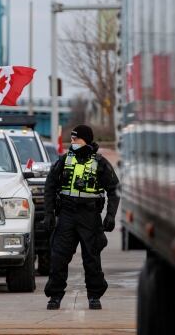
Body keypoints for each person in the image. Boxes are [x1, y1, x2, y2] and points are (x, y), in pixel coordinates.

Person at [43, 124, 120, 310]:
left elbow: (114, 189)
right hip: (67, 214)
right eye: (72, 139)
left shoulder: (100, 162)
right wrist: (49, 213)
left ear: (85, 140)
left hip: (89, 216)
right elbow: (50, 186)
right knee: (58, 257)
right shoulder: (64, 161)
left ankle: (94, 296)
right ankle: (55, 295)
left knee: (92, 259)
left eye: (76, 139)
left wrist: (110, 216)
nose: (73, 142)